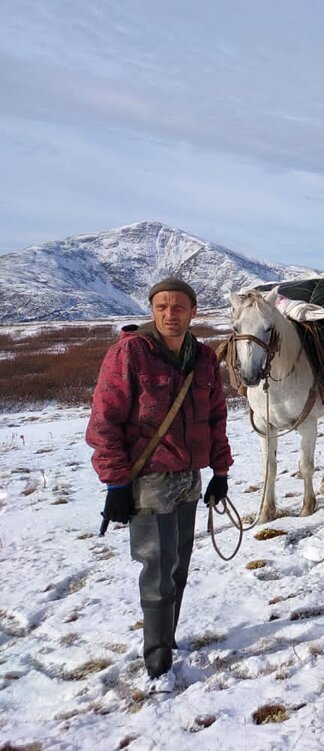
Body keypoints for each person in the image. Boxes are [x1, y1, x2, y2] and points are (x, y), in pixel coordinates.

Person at [86, 277, 232, 690]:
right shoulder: (130, 353)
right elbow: (104, 422)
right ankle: (157, 667)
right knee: (157, 569)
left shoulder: (204, 358)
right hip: (148, 479)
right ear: (152, 311)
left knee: (179, 565)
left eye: (179, 307)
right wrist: (115, 483)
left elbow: (215, 418)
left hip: (189, 477)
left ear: (193, 312)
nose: (171, 314)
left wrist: (220, 472)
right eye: (162, 306)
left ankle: (167, 640)